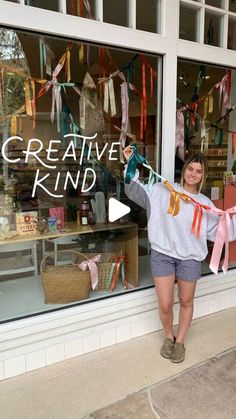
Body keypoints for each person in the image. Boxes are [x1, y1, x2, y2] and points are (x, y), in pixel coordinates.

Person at [123, 146, 236, 363]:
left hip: (190, 258)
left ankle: (180, 341)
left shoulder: (205, 204)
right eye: (190, 168)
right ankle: (168, 336)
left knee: (186, 300)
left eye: (199, 170)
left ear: (203, 175)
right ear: (184, 169)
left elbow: (222, 231)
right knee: (165, 304)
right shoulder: (161, 191)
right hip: (162, 254)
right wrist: (130, 163)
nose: (193, 173)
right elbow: (134, 189)